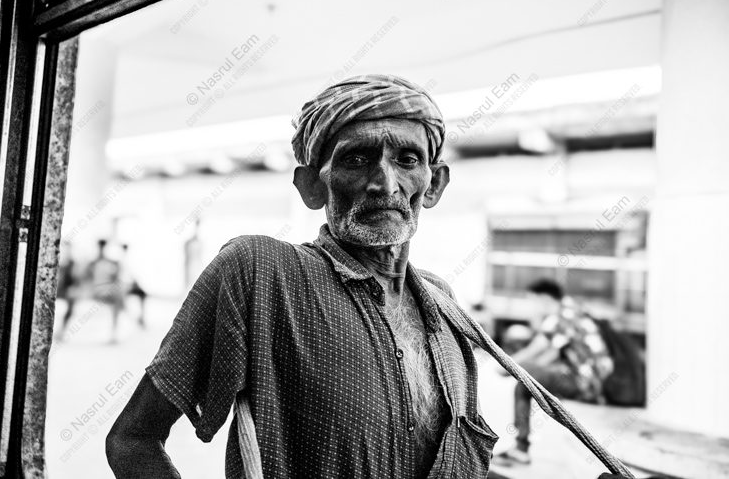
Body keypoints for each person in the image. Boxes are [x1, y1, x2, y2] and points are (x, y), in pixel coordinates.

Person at [106, 75, 504, 478]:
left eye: (407, 160)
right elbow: (133, 440)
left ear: (433, 184)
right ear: (312, 185)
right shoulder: (260, 270)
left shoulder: (443, 304)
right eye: (356, 159)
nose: (385, 183)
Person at [492, 278, 614, 467]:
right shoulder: (573, 311)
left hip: (583, 382)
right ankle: (520, 447)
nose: (532, 308)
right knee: (526, 380)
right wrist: (530, 370)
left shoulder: (559, 317)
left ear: (545, 299)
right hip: (593, 382)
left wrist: (505, 365)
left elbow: (535, 349)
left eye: (533, 301)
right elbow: (549, 355)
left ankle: (521, 448)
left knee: (523, 381)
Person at [84, 238, 125, 343]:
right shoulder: (93, 262)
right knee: (118, 300)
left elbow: (116, 278)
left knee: (118, 299)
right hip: (97, 290)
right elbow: (86, 277)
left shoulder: (110, 262)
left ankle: (114, 333)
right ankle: (114, 333)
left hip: (105, 289)